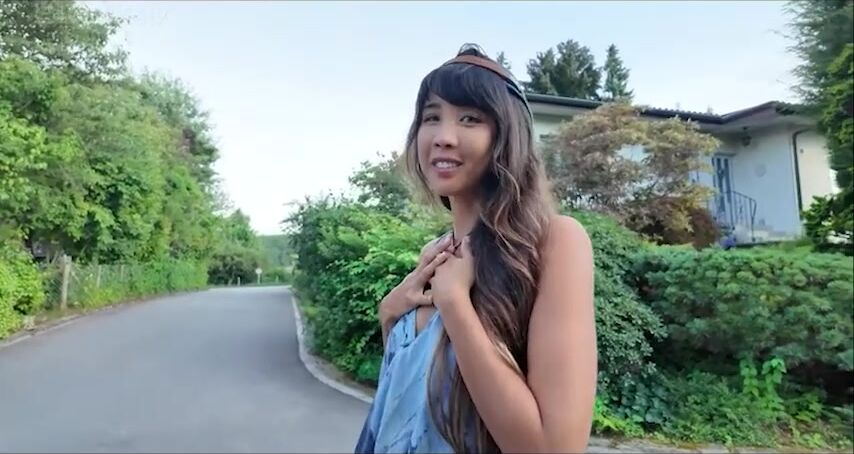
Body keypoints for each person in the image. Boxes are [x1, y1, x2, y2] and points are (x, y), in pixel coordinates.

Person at [355, 44, 597, 454]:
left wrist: (455, 304)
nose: (443, 137)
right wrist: (390, 316)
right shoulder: (436, 255)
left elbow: (555, 447)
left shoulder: (554, 243)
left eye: (470, 119)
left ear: (505, 137)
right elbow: (408, 407)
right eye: (431, 117)